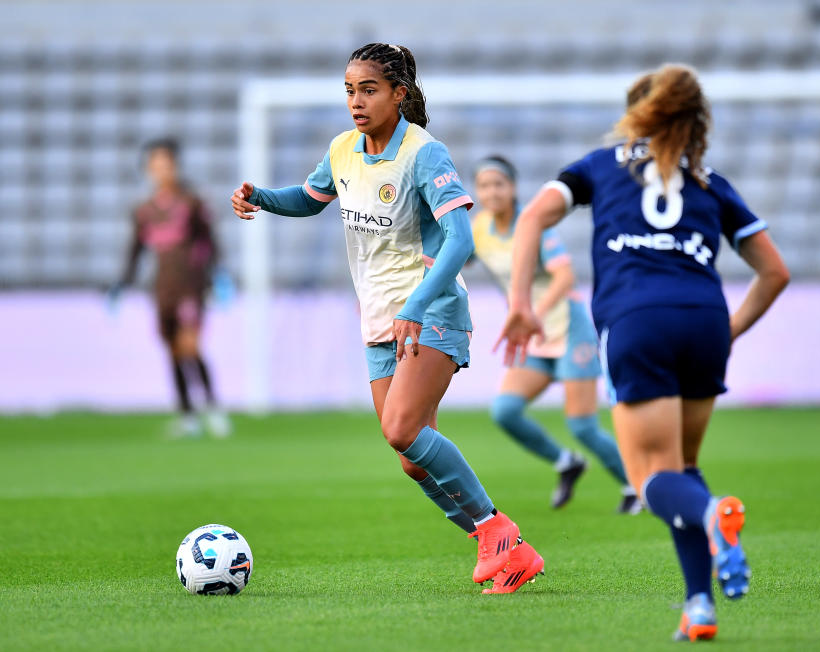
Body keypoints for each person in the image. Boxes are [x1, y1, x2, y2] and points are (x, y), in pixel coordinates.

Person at [230, 43, 543, 594]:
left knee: (402, 429)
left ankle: (497, 530)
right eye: (349, 90)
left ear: (399, 93)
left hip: (431, 311)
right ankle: (510, 553)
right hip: (379, 320)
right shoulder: (344, 150)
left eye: (368, 90)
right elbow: (310, 197)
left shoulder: (424, 154)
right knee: (411, 458)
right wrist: (263, 198)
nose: (356, 101)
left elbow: (460, 238)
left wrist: (418, 303)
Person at [499, 64, 790, 639]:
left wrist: (519, 302)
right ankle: (699, 606)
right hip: (705, 319)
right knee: (681, 466)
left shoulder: (600, 166)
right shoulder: (711, 182)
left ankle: (712, 514)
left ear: (636, 113)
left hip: (638, 320)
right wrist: (726, 332)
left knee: (652, 477)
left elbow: (532, 216)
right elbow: (774, 273)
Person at [470, 155, 639, 513]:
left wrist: (534, 314)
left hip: (567, 329)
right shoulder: (480, 227)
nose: (491, 191)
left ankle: (636, 486)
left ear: (513, 188)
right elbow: (454, 257)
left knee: (583, 426)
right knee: (505, 411)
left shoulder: (535, 226)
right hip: (532, 336)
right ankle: (567, 463)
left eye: (499, 183)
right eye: (484, 185)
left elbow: (565, 277)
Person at [111, 138, 231, 438]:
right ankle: (187, 415)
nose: (161, 170)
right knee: (174, 351)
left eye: (166, 164)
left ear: (175, 166)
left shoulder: (192, 203)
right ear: (148, 170)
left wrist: (219, 275)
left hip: (191, 285)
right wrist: (122, 283)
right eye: (156, 165)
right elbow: (135, 250)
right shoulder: (144, 211)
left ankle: (214, 410)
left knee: (191, 346)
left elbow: (211, 242)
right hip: (163, 289)